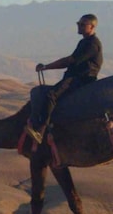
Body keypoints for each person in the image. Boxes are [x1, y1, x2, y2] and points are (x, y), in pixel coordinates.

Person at [25, 14, 103, 144]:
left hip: (81, 79)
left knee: (51, 96)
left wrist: (46, 67)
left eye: (82, 24)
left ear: (92, 26)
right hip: (75, 77)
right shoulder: (84, 42)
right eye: (78, 24)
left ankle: (40, 131)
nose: (79, 26)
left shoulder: (92, 44)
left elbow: (70, 60)